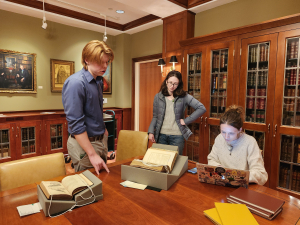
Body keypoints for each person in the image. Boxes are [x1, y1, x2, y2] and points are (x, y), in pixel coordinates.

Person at [62, 40, 114, 175]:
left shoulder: (98, 80)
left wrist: (104, 132)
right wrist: (91, 154)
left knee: (103, 183)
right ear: (87, 60)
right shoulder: (76, 83)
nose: (105, 66)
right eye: (101, 62)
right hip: (85, 146)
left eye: (107, 62)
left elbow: (94, 110)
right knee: (89, 188)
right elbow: (75, 124)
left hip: (100, 140)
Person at [148, 70, 206, 155]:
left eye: (175, 84)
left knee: (176, 163)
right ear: (166, 81)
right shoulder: (158, 97)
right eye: (170, 82)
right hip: (161, 135)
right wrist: (151, 131)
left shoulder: (184, 96)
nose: (172, 86)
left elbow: (201, 108)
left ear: (179, 84)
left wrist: (186, 121)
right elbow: (155, 116)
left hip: (177, 136)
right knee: (161, 162)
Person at [207, 105, 268, 185]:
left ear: (240, 130)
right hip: (222, 184)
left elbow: (261, 174)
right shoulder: (219, 138)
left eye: (231, 133)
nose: (226, 137)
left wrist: (236, 176)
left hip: (243, 187)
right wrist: (219, 168)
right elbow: (211, 159)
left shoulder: (250, 142)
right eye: (223, 132)